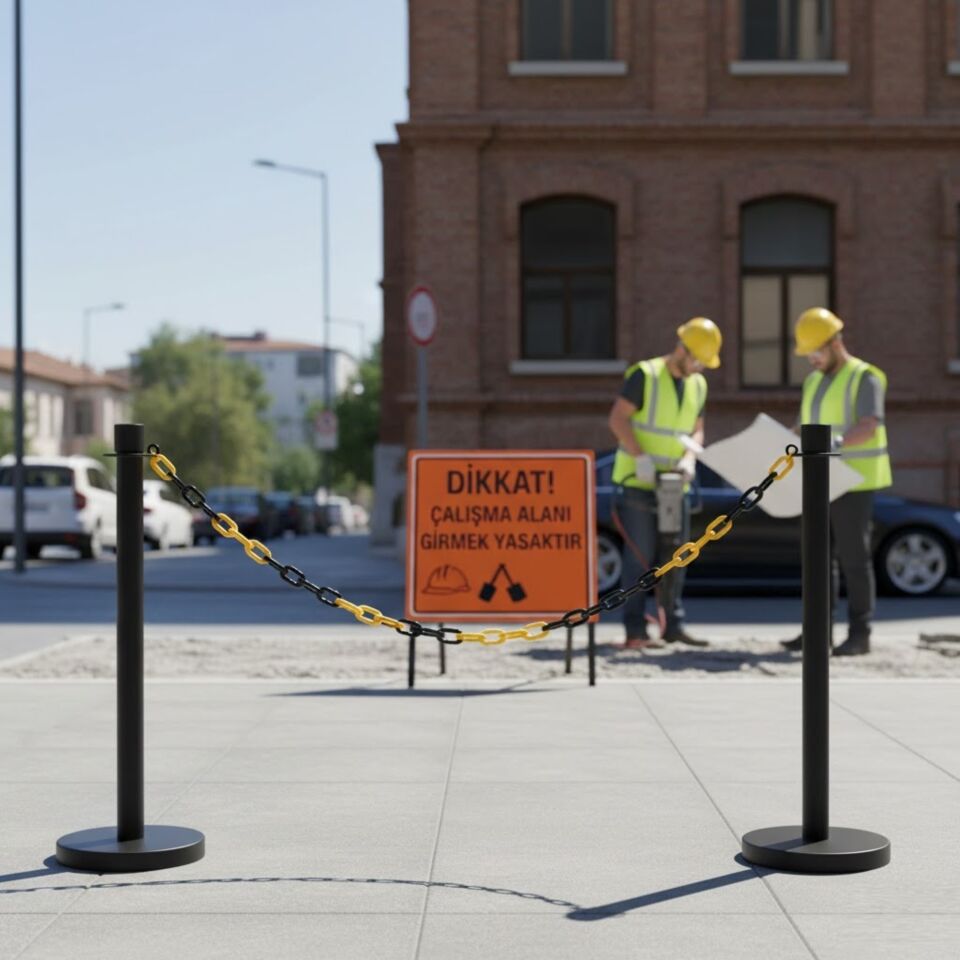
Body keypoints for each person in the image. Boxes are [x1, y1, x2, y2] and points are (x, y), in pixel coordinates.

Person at [781, 307, 892, 657]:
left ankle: (860, 634)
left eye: (816, 351)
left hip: (855, 482)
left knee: (854, 559)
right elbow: (801, 427)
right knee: (816, 559)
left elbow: (868, 425)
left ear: (834, 343)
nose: (811, 359)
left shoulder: (865, 377)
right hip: (818, 482)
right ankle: (817, 632)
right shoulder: (813, 381)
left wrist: (836, 444)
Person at [606, 317, 722, 650]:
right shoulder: (645, 375)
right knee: (639, 557)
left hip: (674, 485)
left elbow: (696, 428)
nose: (698, 366)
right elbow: (618, 418)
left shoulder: (698, 384)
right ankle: (635, 631)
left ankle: (673, 625)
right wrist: (640, 457)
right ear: (682, 349)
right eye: (696, 358)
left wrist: (690, 458)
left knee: (676, 556)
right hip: (638, 483)